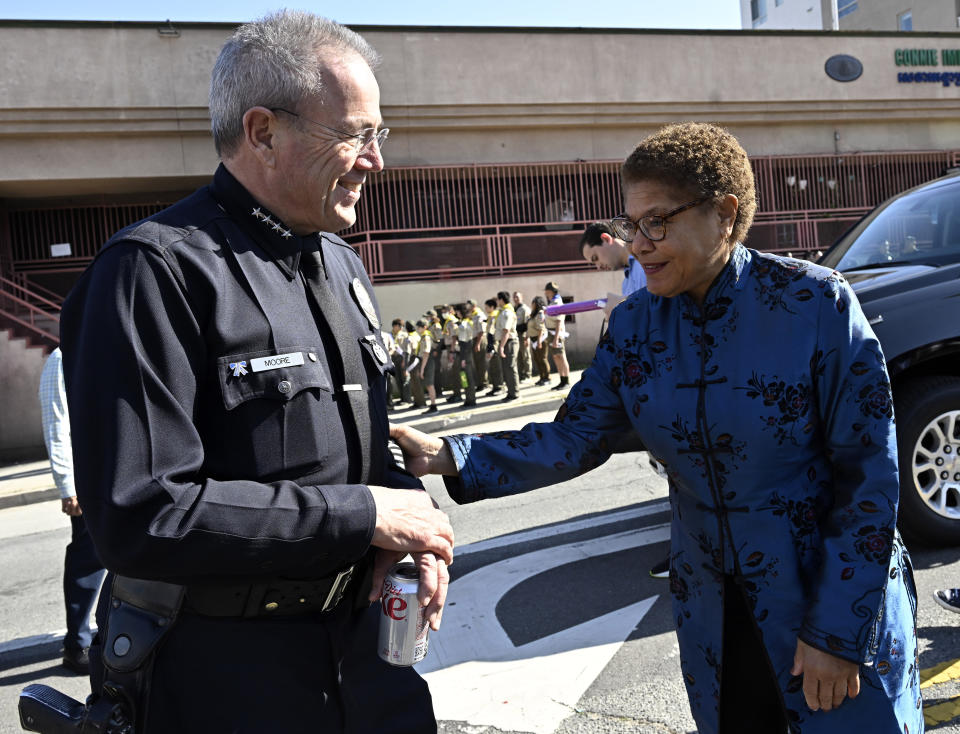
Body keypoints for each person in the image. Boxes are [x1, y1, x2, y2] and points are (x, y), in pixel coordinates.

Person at [392, 122, 921, 734]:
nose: (638, 243)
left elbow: (869, 477)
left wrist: (836, 631)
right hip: (713, 615)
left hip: (822, 601)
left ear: (724, 214)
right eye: (631, 224)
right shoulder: (636, 326)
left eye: (657, 221)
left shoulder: (814, 305)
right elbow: (575, 436)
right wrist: (447, 453)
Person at [58, 12, 453, 733]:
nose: (375, 161)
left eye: (378, 136)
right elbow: (142, 514)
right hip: (229, 677)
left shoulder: (339, 263)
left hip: (370, 663)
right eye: (355, 135)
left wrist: (412, 529)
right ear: (263, 131)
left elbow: (365, 456)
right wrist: (364, 515)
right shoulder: (154, 271)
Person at [38, 347, 106, 675]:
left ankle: (107, 634)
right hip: (88, 479)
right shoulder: (62, 357)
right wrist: (67, 485)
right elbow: (56, 422)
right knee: (88, 559)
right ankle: (76, 644)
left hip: (120, 475)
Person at [579, 221, 647, 320]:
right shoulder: (626, 283)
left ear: (606, 239)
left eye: (595, 258)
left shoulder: (646, 261)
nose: (598, 267)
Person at [543, 281, 571, 391]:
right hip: (551, 332)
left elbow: (559, 322)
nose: (545, 293)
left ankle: (566, 381)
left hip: (556, 333)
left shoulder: (557, 302)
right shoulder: (551, 302)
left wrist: (556, 339)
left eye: (546, 291)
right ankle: (562, 380)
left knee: (561, 356)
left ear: (550, 291)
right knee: (556, 357)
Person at [495, 290, 520, 401]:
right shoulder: (503, 311)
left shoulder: (507, 312)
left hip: (509, 342)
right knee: (506, 369)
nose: (497, 302)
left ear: (501, 300)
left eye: (498, 299)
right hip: (506, 341)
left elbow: (506, 330)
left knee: (510, 367)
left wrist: (501, 346)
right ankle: (510, 392)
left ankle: (514, 393)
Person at [416, 319, 439, 414]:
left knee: (430, 385)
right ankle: (432, 405)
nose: (418, 329)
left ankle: (433, 406)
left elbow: (426, 352)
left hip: (427, 361)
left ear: (424, 327)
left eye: (419, 327)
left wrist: (422, 369)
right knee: (429, 385)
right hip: (426, 361)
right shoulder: (424, 335)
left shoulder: (426, 336)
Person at [526, 295, 551, 385]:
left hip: (540, 339)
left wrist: (539, 341)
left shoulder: (540, 313)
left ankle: (547, 378)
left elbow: (541, 328)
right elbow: (529, 328)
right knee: (537, 359)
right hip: (533, 340)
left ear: (537, 304)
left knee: (543, 358)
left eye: (533, 303)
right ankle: (542, 377)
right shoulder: (533, 314)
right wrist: (526, 338)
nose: (532, 304)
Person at [483, 298, 503, 396]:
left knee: (496, 366)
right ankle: (495, 386)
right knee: (492, 367)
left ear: (492, 307)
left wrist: (491, 347)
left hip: (494, 343)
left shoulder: (494, 316)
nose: (485, 309)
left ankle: (499, 387)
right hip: (491, 342)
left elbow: (492, 332)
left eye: (487, 307)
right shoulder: (491, 316)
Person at [467, 298, 487, 390]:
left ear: (473, 306)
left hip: (480, 339)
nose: (468, 307)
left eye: (469, 305)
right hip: (474, 339)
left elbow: (481, 331)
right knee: (477, 362)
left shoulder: (479, 315)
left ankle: (484, 383)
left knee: (481, 362)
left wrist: (478, 343)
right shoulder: (472, 315)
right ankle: (480, 382)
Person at [512, 291, 532, 381]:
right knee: (519, 355)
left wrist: (527, 337)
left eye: (517, 297)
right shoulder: (513, 308)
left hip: (523, 334)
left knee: (525, 355)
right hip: (516, 335)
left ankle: (528, 375)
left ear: (521, 297)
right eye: (514, 297)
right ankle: (522, 375)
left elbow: (527, 324)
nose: (516, 299)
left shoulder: (524, 309)